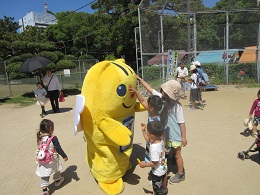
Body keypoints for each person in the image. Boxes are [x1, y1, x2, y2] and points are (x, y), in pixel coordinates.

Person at [136, 75, 187, 184]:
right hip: (166, 134)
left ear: (169, 94)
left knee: (177, 155)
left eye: (164, 91)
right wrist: (139, 79)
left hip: (175, 135)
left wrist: (183, 137)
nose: (162, 91)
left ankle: (180, 173)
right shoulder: (161, 99)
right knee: (165, 153)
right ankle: (161, 171)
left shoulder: (177, 106)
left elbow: (181, 123)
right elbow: (150, 89)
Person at [36, 119, 68, 195]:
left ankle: (44, 190)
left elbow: (39, 148)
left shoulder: (39, 138)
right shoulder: (53, 138)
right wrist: (64, 156)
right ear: (51, 129)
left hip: (42, 159)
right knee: (56, 169)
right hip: (52, 159)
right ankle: (57, 181)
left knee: (44, 174)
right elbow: (58, 148)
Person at [139, 121, 168, 195]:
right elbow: (148, 140)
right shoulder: (160, 140)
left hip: (157, 172)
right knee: (164, 177)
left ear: (151, 135)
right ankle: (164, 188)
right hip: (163, 167)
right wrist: (143, 130)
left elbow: (154, 163)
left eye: (147, 132)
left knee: (156, 188)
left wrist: (144, 165)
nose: (147, 134)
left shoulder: (154, 148)